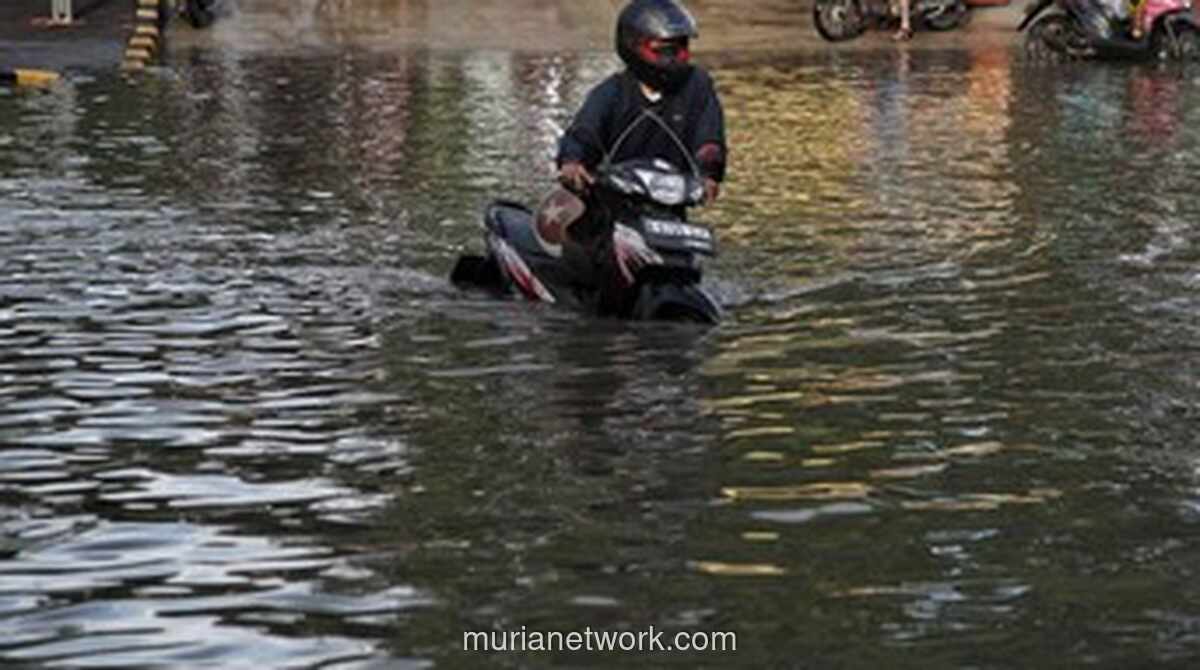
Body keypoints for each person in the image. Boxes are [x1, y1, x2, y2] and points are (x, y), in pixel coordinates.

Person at [534, 0, 727, 261]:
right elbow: (584, 132)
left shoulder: (697, 85)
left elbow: (709, 135)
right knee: (588, 257)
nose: (673, 58)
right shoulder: (611, 92)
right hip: (614, 205)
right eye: (662, 50)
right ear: (632, 47)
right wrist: (573, 162)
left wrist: (709, 173)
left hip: (669, 208)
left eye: (680, 49)